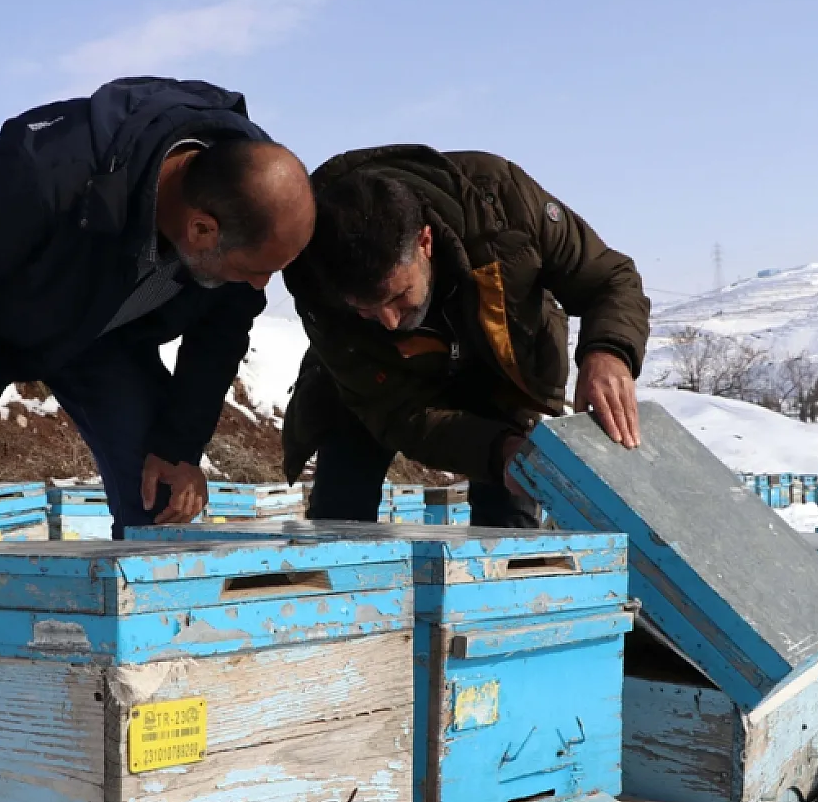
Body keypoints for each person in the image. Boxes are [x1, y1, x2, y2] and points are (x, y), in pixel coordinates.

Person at [0, 78, 315, 544]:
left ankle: (141, 592)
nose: (260, 286)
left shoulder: (251, 207)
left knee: (159, 498)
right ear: (201, 230)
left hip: (106, 338)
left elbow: (221, 335)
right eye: (254, 271)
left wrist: (179, 447)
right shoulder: (41, 175)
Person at [279, 146, 650, 526]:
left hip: (503, 371)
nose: (389, 322)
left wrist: (609, 352)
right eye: (365, 309)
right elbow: (396, 414)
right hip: (375, 391)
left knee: (512, 519)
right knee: (340, 518)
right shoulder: (318, 288)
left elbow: (609, 278)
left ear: (425, 242)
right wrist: (495, 450)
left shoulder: (501, 203)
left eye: (399, 296)